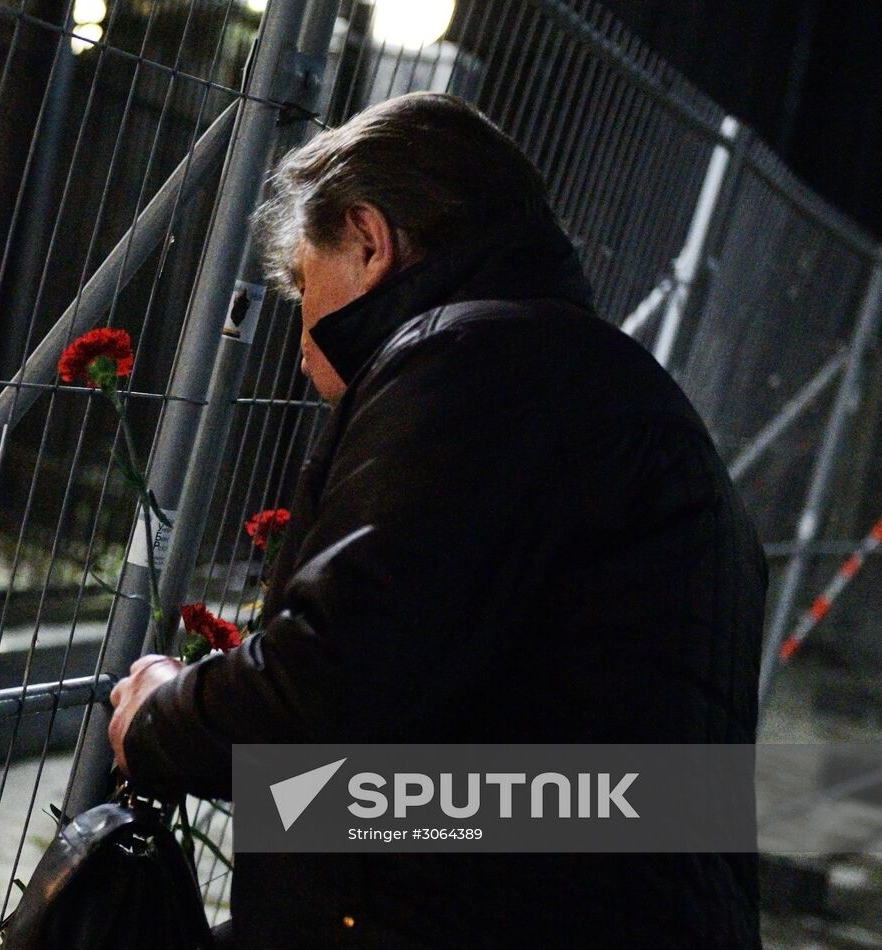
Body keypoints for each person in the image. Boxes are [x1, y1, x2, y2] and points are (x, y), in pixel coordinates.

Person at [107, 92, 765, 948]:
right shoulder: (616, 394)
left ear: (369, 240)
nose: (302, 344)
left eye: (304, 282)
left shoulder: (473, 366)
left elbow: (334, 695)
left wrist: (163, 712)